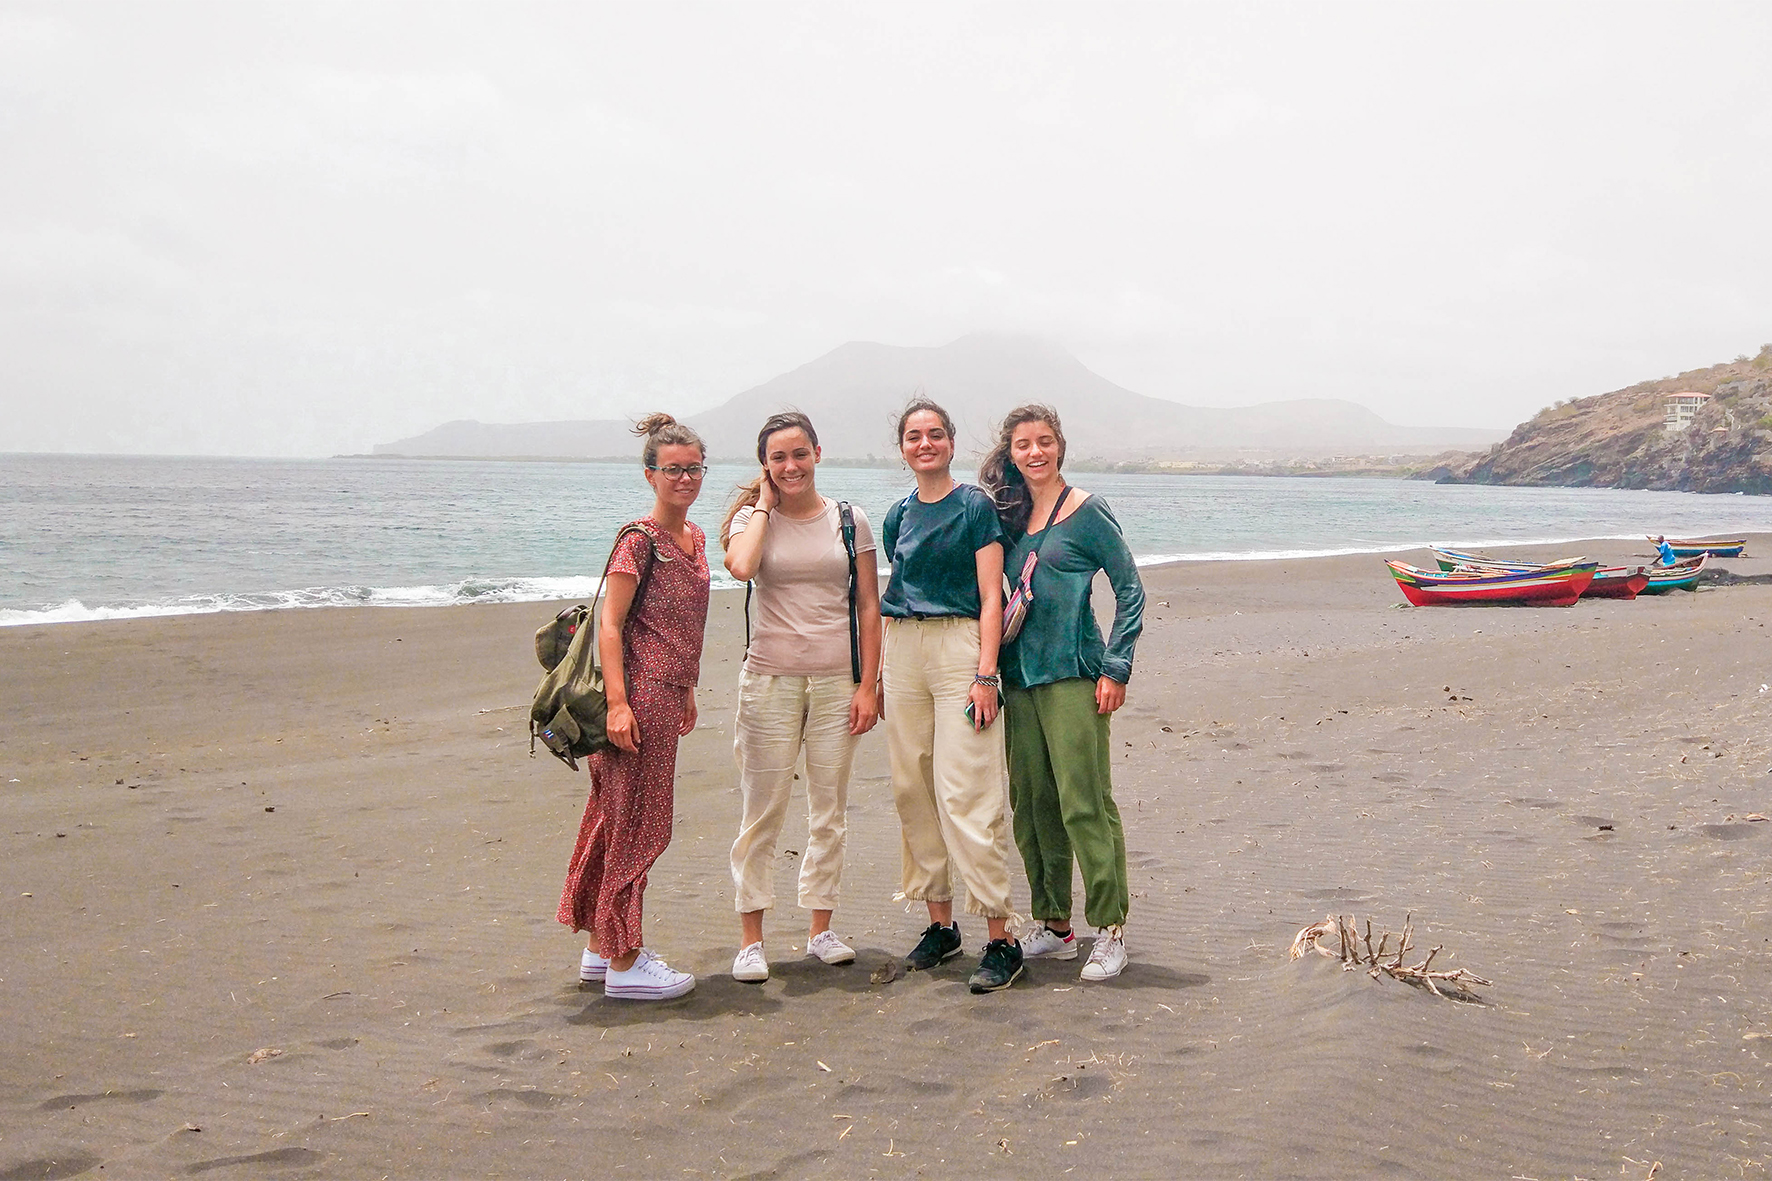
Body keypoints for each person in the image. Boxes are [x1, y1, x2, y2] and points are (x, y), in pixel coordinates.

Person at [979, 404, 1145, 981]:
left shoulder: (1088, 511)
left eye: (1044, 441)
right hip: (1018, 680)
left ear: (1060, 446)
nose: (1035, 452)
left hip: (1075, 675)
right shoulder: (1008, 517)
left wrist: (1116, 667)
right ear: (1011, 451)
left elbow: (1130, 589)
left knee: (1084, 803)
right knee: (1032, 807)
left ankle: (1111, 929)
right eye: (1023, 444)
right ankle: (1054, 925)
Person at [719, 412, 883, 982]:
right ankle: (751, 940)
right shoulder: (750, 519)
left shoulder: (850, 519)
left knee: (829, 810)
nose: (791, 466)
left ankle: (820, 929)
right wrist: (764, 504)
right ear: (765, 465)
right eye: (778, 458)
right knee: (760, 811)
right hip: (769, 681)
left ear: (818, 452)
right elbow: (740, 566)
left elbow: (868, 604)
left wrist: (869, 685)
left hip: (838, 682)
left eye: (799, 454)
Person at [556, 414, 712, 1000]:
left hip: (668, 693)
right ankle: (626, 960)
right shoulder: (637, 540)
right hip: (637, 698)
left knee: (612, 818)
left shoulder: (693, 540)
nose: (684, 478)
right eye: (672, 469)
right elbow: (610, 624)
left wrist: (689, 687)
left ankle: (600, 949)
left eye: (693, 468)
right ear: (650, 474)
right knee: (638, 825)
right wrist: (619, 705)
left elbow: (679, 625)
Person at [879, 398, 1025, 994]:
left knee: (967, 790)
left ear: (951, 442)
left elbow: (993, 596)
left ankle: (1001, 937)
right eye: (913, 436)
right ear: (903, 447)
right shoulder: (898, 514)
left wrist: (986, 673)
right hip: (904, 650)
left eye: (934, 434)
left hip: (961, 649)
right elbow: (899, 581)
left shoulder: (974, 508)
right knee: (912, 785)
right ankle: (942, 924)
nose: (924, 444)